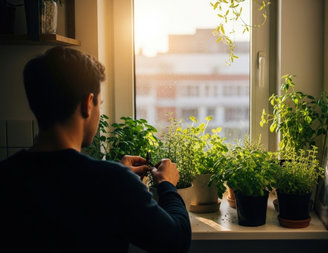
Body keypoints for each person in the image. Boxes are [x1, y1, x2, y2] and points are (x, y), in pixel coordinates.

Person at [0, 46, 191, 253]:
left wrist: (115, 173)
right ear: (87, 103)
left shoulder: (6, 176)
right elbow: (176, 240)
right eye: (99, 103)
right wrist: (167, 184)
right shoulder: (112, 182)